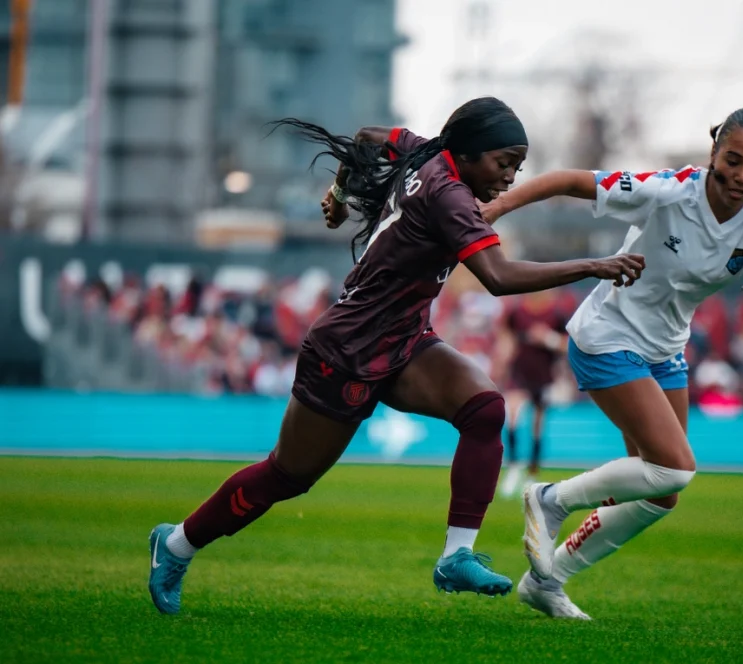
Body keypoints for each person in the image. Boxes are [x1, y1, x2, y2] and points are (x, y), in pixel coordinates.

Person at [146, 96, 647, 614]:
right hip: (346, 350)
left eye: (518, 166)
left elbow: (366, 135)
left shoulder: (425, 151)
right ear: (471, 154)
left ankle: (456, 557)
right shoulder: (450, 197)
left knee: (485, 410)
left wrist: (339, 194)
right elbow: (497, 277)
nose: (510, 177)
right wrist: (595, 264)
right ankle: (176, 543)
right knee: (287, 477)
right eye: (504, 163)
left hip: (404, 340)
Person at [481, 107, 743, 619]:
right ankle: (549, 500)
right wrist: (495, 209)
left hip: (665, 351)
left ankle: (546, 583)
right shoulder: (671, 189)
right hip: (606, 336)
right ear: (714, 152)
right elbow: (569, 181)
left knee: (661, 492)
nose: (742, 177)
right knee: (674, 469)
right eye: (732, 160)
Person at [495, 290, 571, 498]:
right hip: (519, 373)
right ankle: (512, 467)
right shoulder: (517, 312)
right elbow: (506, 335)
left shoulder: (556, 314)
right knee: (511, 416)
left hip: (543, 375)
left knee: (537, 426)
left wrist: (548, 338)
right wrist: (503, 357)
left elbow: (568, 345)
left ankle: (532, 473)